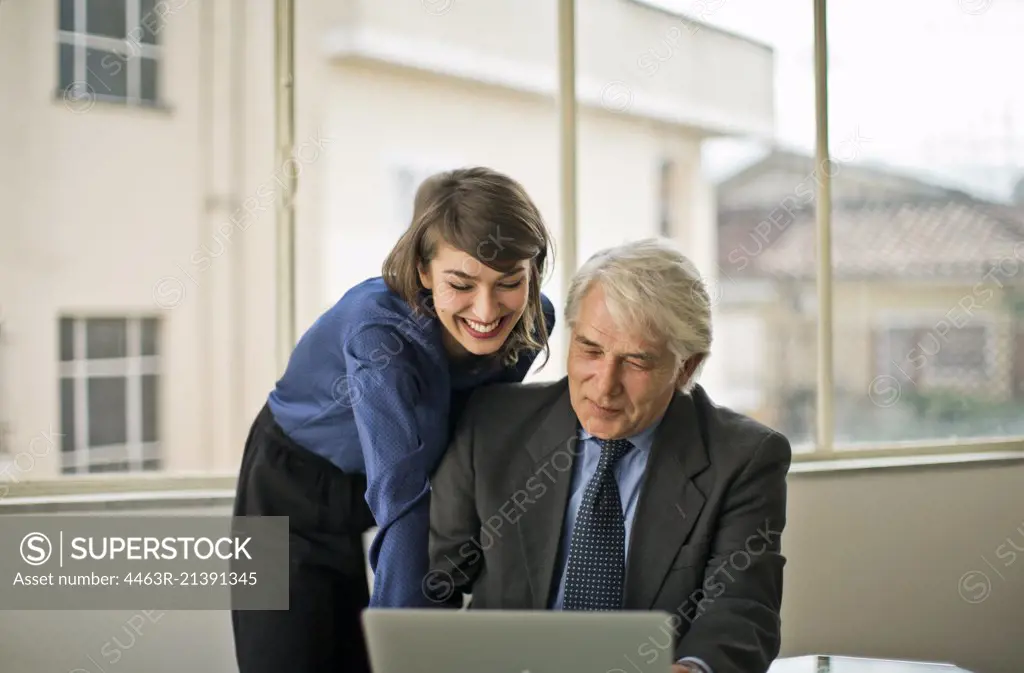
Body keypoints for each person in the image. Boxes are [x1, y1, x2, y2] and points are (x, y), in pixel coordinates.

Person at [231, 166, 557, 673]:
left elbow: (470, 444)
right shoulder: (379, 334)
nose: (487, 310)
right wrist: (410, 648)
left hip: (384, 481)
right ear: (425, 272)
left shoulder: (534, 319)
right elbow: (404, 497)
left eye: (509, 282)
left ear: (532, 272)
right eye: (461, 284)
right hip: (289, 483)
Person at [428, 238, 791, 673]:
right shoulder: (491, 425)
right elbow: (435, 580)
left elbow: (740, 608)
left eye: (636, 362)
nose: (604, 386)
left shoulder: (744, 458)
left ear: (686, 368)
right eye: (591, 350)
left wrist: (693, 669)